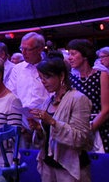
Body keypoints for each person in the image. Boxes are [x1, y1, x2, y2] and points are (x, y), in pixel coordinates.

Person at [28, 54, 92, 182]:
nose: (43, 82)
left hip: (70, 169)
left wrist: (52, 122)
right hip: (48, 165)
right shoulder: (48, 101)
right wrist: (39, 130)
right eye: (41, 78)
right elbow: (47, 138)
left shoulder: (78, 99)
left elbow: (80, 138)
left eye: (47, 77)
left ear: (62, 76)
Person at [67, 39, 109, 153]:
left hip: (100, 129)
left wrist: (88, 130)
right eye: (69, 54)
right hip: (76, 132)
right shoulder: (70, 79)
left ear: (85, 55)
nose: (69, 57)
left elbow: (106, 110)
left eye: (73, 53)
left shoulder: (102, 75)